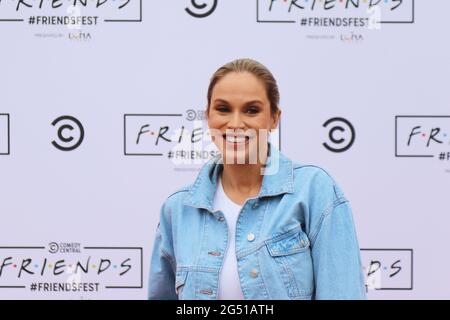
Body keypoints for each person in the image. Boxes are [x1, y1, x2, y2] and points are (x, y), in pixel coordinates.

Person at [148, 58, 366, 300]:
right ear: (208, 116)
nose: (236, 123)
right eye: (223, 109)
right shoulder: (178, 209)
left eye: (252, 110)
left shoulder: (314, 191)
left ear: (274, 118)